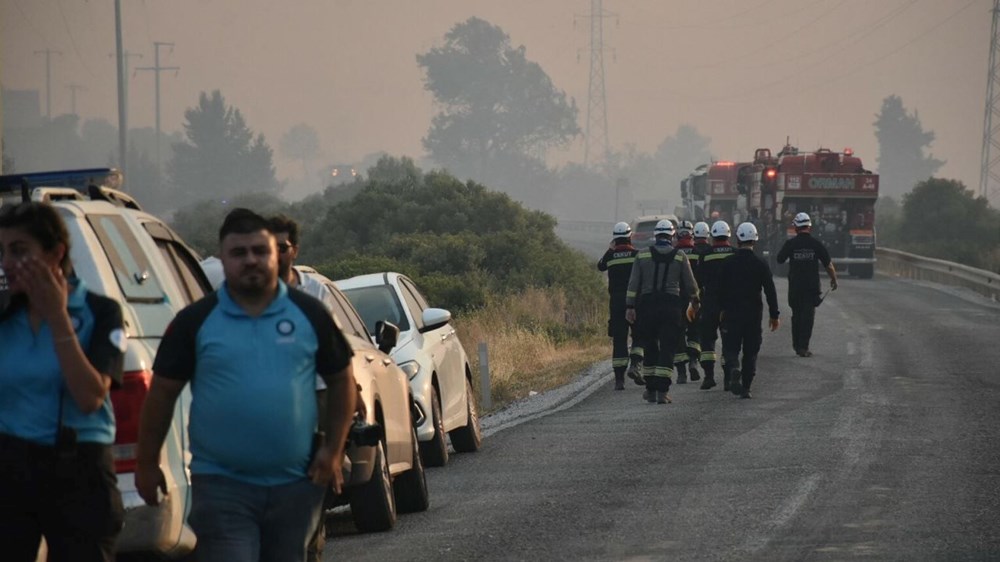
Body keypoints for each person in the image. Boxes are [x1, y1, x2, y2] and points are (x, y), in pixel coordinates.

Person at [135, 208, 358, 562]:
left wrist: (333, 450)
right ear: (221, 258)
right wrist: (146, 463)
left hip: (295, 484)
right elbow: (162, 394)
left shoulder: (310, 313)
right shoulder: (195, 321)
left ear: (277, 255)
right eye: (239, 253)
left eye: (260, 251)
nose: (251, 260)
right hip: (221, 485)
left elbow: (342, 381)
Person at [0, 201, 125, 561]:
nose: (7, 262)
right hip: (12, 466)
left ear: (56, 253)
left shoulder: (101, 312)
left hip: (79, 467)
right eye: (3, 251)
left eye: (20, 250)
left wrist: (58, 317)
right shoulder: (6, 313)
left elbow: (89, 397)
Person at [625, 220, 700, 404]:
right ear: (672, 236)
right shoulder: (680, 256)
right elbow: (691, 286)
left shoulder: (642, 256)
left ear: (656, 236)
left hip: (647, 308)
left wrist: (630, 307)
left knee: (650, 348)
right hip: (671, 308)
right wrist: (695, 302)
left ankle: (650, 390)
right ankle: (661, 392)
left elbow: (633, 285)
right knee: (667, 349)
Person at [717, 222, 780, 399]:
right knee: (751, 351)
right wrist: (774, 315)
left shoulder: (728, 263)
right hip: (753, 314)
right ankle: (746, 387)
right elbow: (770, 290)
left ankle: (734, 367)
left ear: (737, 239)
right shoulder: (760, 263)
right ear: (755, 240)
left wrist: (721, 309)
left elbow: (719, 289)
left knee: (731, 347)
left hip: (731, 313)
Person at [775, 212, 838, 357]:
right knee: (807, 318)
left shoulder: (791, 244)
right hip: (811, 288)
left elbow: (779, 259)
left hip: (795, 287)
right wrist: (833, 279)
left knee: (796, 316)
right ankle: (803, 347)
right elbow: (828, 265)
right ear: (809, 227)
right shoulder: (816, 244)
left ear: (796, 227)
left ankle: (797, 345)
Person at [597, 221, 644, 390]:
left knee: (619, 340)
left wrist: (610, 249)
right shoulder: (637, 255)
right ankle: (635, 365)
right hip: (636, 303)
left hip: (616, 304)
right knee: (639, 335)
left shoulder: (610, 257)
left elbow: (600, 266)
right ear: (630, 236)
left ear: (615, 239)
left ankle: (619, 380)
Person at [696, 220, 736, 391]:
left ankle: (709, 377)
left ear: (712, 236)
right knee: (729, 341)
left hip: (709, 303)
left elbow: (698, 280)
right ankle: (728, 378)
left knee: (707, 341)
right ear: (728, 235)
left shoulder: (705, 255)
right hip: (730, 305)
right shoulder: (735, 254)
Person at [671, 221, 701, 384]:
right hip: (694, 299)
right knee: (695, 331)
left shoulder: (673, 253)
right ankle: (694, 362)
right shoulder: (698, 252)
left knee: (679, 334)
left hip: (676, 300)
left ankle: (681, 373)